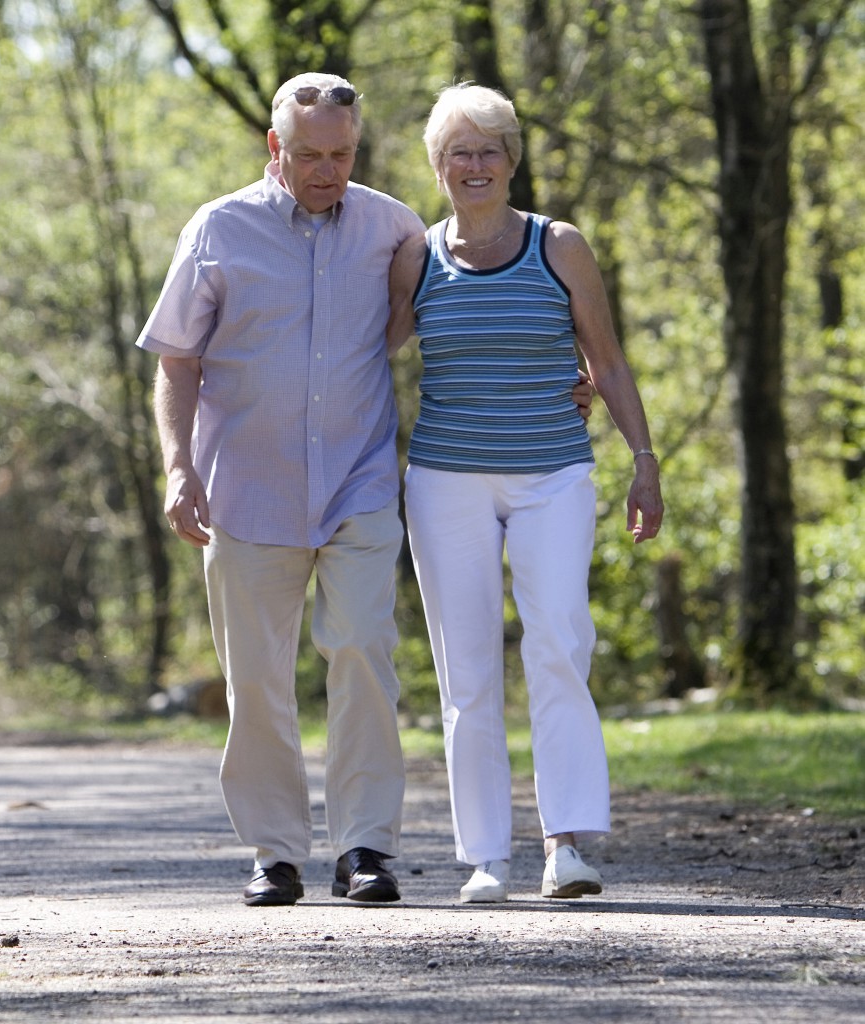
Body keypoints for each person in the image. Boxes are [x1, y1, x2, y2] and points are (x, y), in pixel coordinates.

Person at [138, 72, 593, 908]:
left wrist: (560, 381)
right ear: (276, 148)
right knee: (260, 678)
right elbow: (176, 360)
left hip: (358, 483)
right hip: (247, 489)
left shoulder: (393, 229)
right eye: (309, 155)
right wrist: (178, 467)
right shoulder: (218, 229)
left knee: (361, 653)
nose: (327, 170)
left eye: (342, 154)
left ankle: (363, 848)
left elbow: (465, 309)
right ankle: (276, 853)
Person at [387, 84, 664, 904]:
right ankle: (484, 858)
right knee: (465, 670)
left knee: (558, 643)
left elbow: (607, 361)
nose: (475, 165)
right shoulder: (417, 256)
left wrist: (643, 459)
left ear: (513, 160)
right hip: (445, 481)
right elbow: (366, 352)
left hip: (553, 474)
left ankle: (566, 844)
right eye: (458, 152)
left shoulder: (560, 245)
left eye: (490, 150)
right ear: (438, 167)